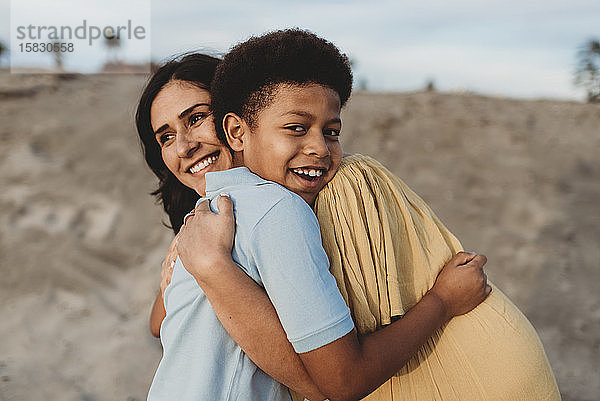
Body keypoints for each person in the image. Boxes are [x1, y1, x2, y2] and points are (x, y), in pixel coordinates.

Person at [176, 29, 560, 400]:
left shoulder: (208, 214)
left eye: (331, 131)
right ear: (237, 132)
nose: (320, 149)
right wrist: (443, 301)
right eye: (296, 128)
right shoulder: (281, 210)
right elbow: (343, 381)